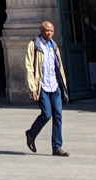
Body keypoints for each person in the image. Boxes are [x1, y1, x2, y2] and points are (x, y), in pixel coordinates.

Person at [25, 20, 69, 155]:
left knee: (58, 116)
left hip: (54, 85)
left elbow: (59, 67)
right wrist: (32, 87)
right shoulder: (34, 45)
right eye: (46, 31)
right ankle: (31, 133)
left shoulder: (54, 46)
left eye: (51, 31)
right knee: (46, 114)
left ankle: (57, 147)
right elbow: (29, 66)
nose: (49, 33)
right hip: (41, 86)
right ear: (41, 31)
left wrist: (64, 86)